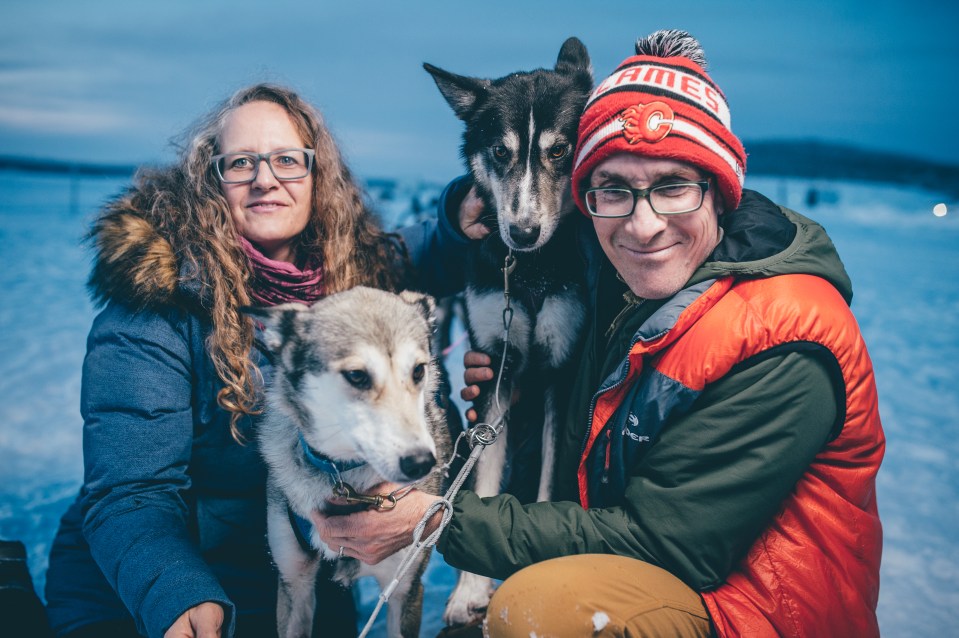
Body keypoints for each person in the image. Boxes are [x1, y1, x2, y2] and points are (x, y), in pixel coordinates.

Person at [314, 30, 884, 637]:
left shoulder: (781, 338)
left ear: (720, 189)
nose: (642, 225)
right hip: (657, 576)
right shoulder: (632, 284)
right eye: (614, 189)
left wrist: (439, 521)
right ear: (590, 198)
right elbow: (581, 443)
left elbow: (667, 541)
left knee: (541, 607)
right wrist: (465, 213)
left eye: (672, 186)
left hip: (763, 612)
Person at [42, 83, 470, 638]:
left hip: (297, 569)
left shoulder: (351, 274)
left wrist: (463, 215)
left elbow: (423, 246)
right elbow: (130, 493)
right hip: (147, 581)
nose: (265, 178)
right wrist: (173, 589)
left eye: (288, 160)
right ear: (211, 181)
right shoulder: (154, 308)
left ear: (318, 180)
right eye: (241, 162)